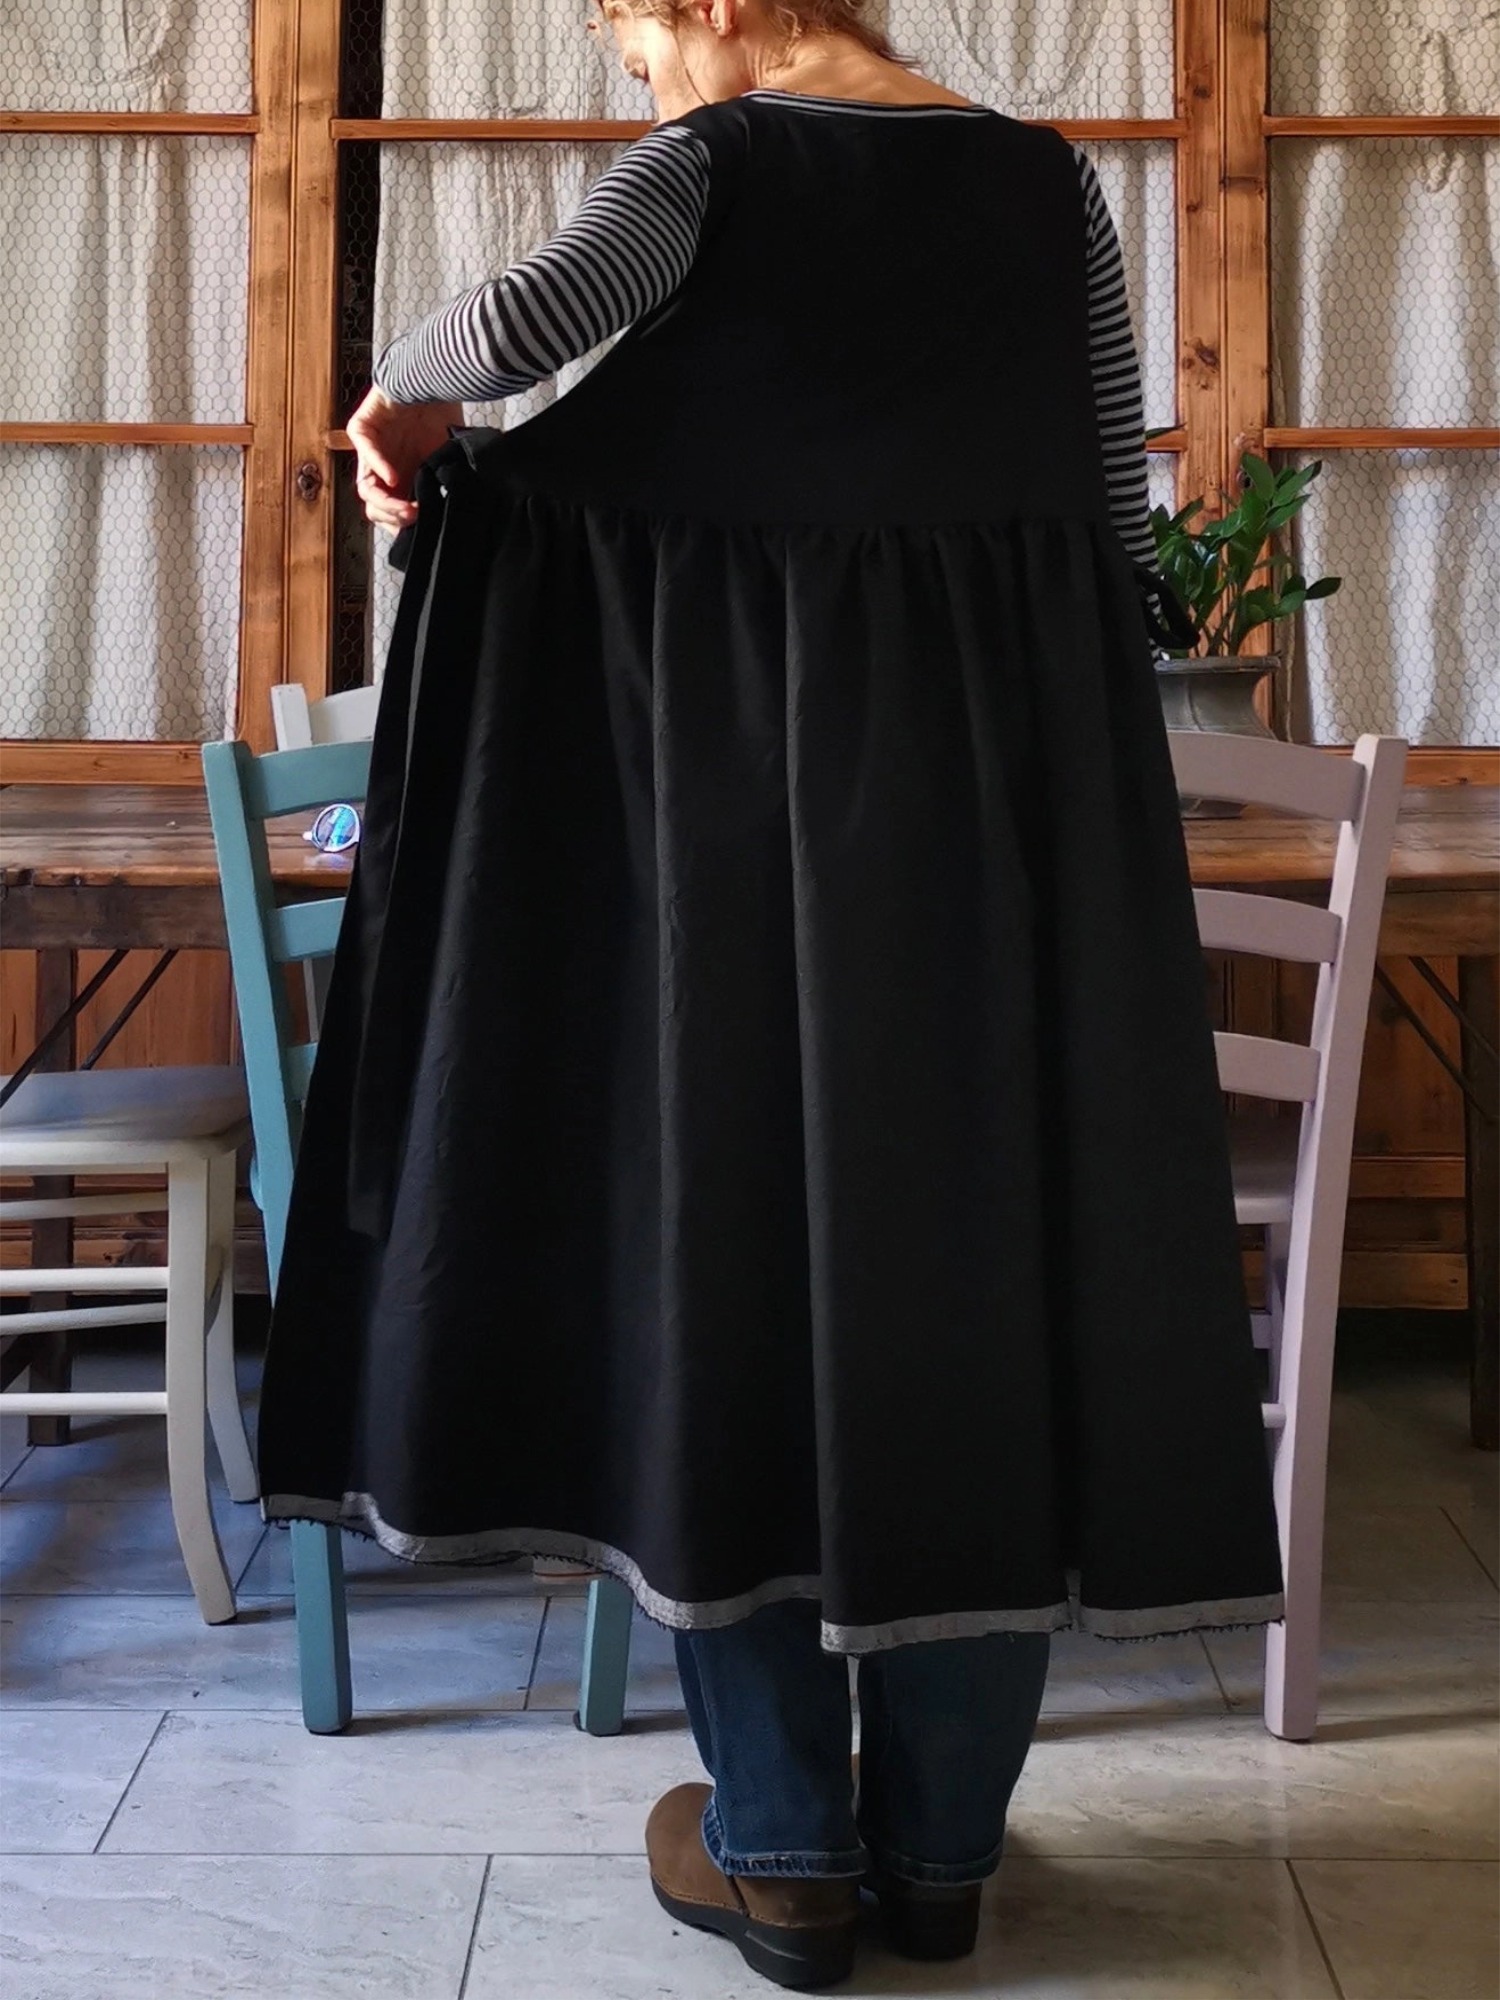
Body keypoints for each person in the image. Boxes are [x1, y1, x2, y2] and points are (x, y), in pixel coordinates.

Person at [260, 0, 1285, 1987]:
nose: (637, 80)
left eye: (631, 38)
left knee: (714, 1269)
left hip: (728, 860)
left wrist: (407, 417)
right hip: (997, 846)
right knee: (981, 1270)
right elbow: (1108, 513)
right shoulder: (1047, 184)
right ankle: (943, 1850)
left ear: (716, 5)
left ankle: (787, 1849)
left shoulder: (712, 165)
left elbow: (495, 330)